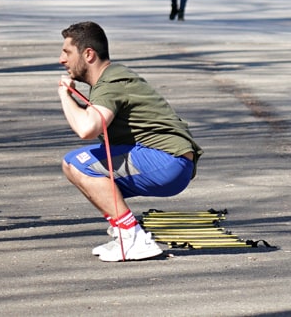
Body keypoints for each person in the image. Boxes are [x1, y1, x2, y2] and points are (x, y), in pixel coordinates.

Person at [57, 21, 203, 262]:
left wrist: (64, 96)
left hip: (167, 161)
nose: (62, 59)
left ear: (88, 54)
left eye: (67, 52)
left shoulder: (111, 83)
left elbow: (86, 129)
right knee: (83, 171)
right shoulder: (113, 79)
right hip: (170, 163)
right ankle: (124, 235)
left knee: (76, 163)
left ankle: (133, 237)